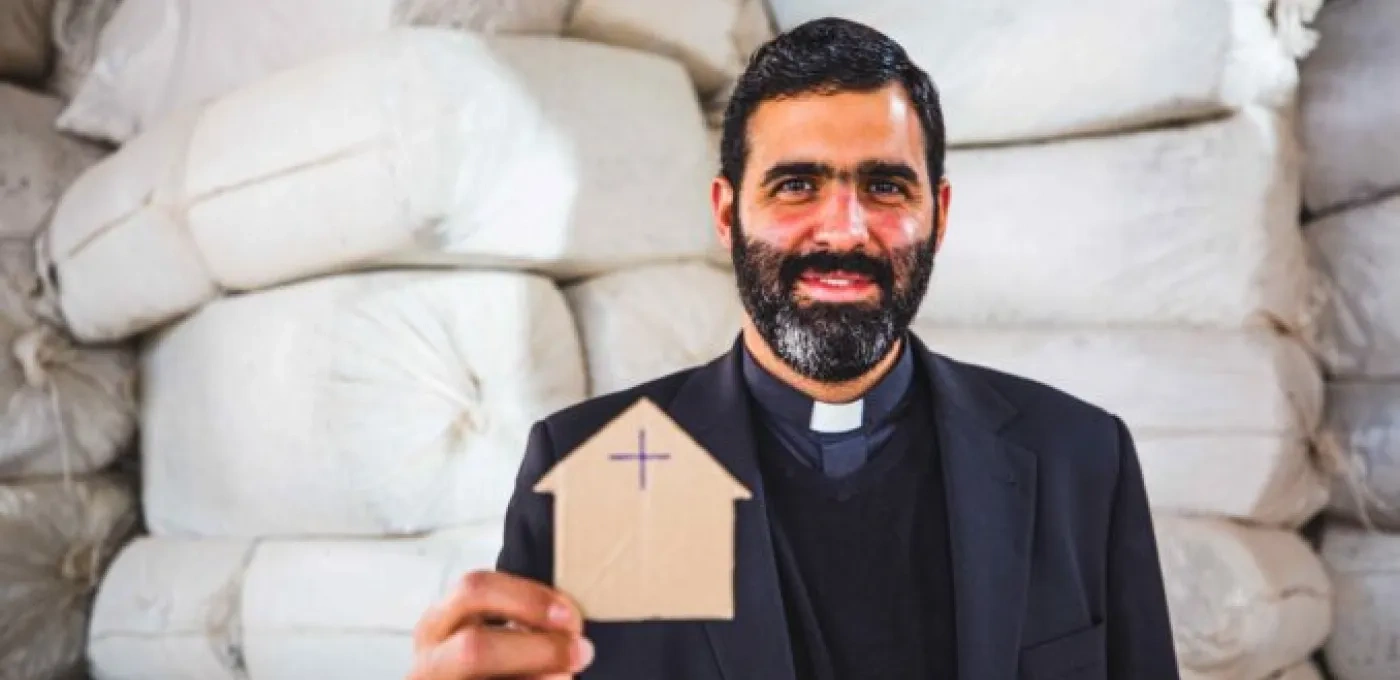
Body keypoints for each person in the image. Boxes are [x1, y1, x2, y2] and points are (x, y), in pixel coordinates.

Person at [407, 16, 1180, 680]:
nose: (843, 229)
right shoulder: (598, 471)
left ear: (938, 213)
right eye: (796, 185)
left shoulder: (1078, 459)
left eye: (884, 187)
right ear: (726, 212)